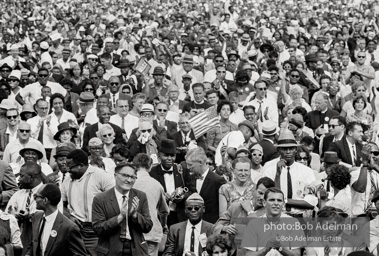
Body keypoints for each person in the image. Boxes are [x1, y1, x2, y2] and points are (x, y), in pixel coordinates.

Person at [92, 163, 153, 256]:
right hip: (110, 250)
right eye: (125, 175)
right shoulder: (100, 199)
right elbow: (98, 229)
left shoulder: (140, 196)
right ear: (115, 175)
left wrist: (135, 215)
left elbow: (148, 227)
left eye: (133, 177)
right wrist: (120, 217)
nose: (129, 180)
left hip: (136, 250)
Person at [62, 149, 115, 256]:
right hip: (75, 229)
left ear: (81, 165)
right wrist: (69, 216)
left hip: (95, 231)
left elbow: (116, 201)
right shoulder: (67, 180)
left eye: (70, 167)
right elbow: (62, 204)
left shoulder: (101, 176)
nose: (68, 170)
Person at [213, 177, 275, 255]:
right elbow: (215, 227)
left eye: (266, 195)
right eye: (260, 193)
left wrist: (250, 211)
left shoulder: (271, 214)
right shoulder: (236, 207)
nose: (262, 198)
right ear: (254, 191)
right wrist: (224, 228)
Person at [263, 129, 317, 217]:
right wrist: (277, 175)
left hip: (299, 216)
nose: (288, 152)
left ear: (296, 149)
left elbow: (311, 202)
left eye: (291, 148)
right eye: (284, 149)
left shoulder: (306, 171)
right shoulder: (270, 169)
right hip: (276, 216)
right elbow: (268, 197)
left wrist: (285, 201)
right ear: (278, 150)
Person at [25, 184, 87, 256]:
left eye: (36, 196)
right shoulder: (37, 217)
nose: (34, 199)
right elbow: (34, 243)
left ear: (45, 200)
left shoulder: (69, 227)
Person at [241, 187, 305, 255]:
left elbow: (297, 254)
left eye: (279, 200)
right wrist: (266, 249)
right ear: (264, 203)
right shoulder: (253, 224)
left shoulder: (294, 223)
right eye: (272, 200)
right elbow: (248, 254)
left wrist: (280, 248)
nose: (276, 203)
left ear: (283, 204)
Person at [150, 139, 195, 227]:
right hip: (160, 217)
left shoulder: (182, 171)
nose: (169, 158)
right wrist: (161, 197)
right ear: (159, 155)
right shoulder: (152, 172)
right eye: (166, 155)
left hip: (180, 216)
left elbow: (193, 192)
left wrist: (183, 196)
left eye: (172, 155)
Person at [133, 153, 169, 256]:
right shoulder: (157, 185)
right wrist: (163, 226)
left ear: (134, 166)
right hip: (151, 233)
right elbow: (164, 211)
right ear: (150, 167)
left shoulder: (128, 183)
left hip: (133, 233)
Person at [6, 162, 44, 256]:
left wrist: (31, 216)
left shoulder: (47, 192)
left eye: (22, 176)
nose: (19, 179)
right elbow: (6, 215)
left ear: (31, 177)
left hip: (40, 236)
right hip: (20, 238)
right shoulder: (18, 194)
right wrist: (14, 216)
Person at [186, 147, 226, 223]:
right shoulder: (189, 179)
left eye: (190, 164)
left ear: (200, 162)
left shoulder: (217, 181)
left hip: (211, 226)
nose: (188, 168)